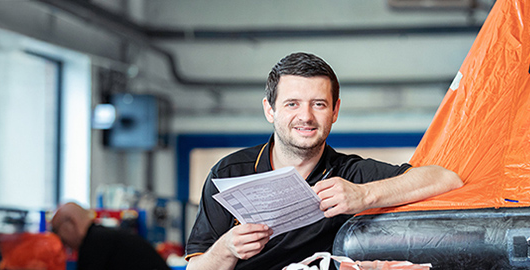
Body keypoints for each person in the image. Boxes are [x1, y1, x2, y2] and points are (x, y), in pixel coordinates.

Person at [185, 52, 464, 270]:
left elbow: (446, 178)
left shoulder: (350, 175)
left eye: (318, 104)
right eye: (292, 104)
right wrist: (226, 249)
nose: (306, 116)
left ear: (335, 111)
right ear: (270, 110)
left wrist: (364, 195)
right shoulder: (230, 172)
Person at [50, 203, 170, 270]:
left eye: (57, 230)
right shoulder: (104, 237)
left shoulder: (93, 245)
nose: (61, 242)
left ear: (71, 223)